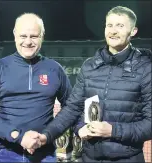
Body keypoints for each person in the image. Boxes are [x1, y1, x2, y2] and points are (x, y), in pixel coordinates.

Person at [30, 6, 152, 163]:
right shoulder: (89, 66)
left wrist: (113, 131)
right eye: (110, 25)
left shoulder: (145, 69)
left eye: (120, 26)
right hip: (90, 158)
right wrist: (46, 135)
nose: (113, 31)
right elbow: (73, 109)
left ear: (133, 31)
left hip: (128, 158)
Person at [0, 13, 72, 162]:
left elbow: (71, 108)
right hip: (3, 153)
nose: (28, 42)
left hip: (44, 153)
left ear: (42, 36)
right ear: (15, 35)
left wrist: (47, 135)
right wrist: (18, 136)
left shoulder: (55, 69)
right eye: (23, 36)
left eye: (34, 36)